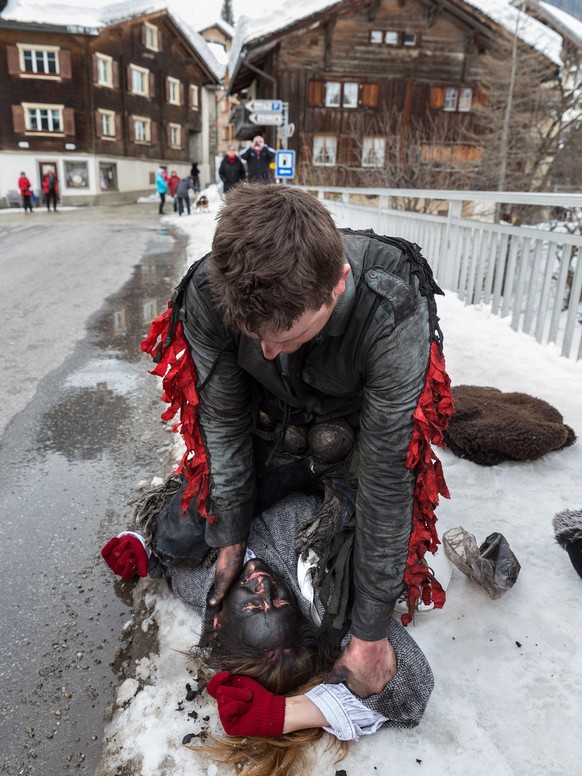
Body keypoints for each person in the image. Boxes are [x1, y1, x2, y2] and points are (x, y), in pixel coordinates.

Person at [140, 183, 453, 699]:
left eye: (285, 335)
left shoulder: (391, 303)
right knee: (181, 537)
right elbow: (222, 423)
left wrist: (372, 634)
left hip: (354, 448)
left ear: (338, 285)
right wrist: (232, 532)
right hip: (268, 436)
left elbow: (387, 476)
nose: (265, 349)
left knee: (352, 607)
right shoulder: (209, 289)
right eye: (254, 334)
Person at [101, 489, 434, 776]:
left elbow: (173, 563)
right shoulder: (311, 584)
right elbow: (412, 686)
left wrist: (145, 551)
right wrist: (291, 712)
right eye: (279, 598)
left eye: (252, 606)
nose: (262, 584)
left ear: (218, 622)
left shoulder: (197, 586)